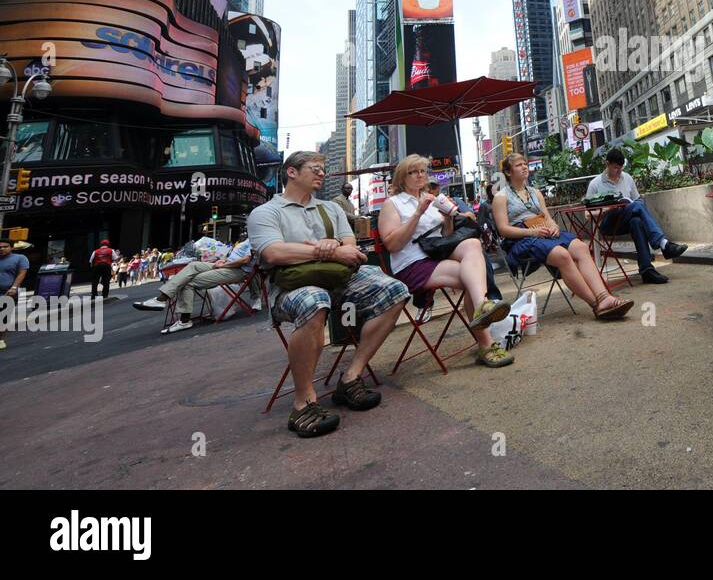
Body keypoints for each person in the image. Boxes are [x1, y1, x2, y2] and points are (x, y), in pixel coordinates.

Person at [248, 150, 410, 438]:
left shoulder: (331, 209)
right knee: (315, 300)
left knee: (394, 289)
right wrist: (327, 249)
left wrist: (328, 249)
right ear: (292, 172)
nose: (322, 173)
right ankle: (303, 403)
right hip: (290, 288)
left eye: (323, 169)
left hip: (339, 280)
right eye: (315, 168)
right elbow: (274, 253)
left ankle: (351, 376)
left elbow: (351, 248)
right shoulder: (265, 213)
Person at [378, 155, 514, 367]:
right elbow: (393, 244)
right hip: (413, 263)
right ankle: (486, 344)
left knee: (473, 245)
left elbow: (444, 238)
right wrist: (417, 213)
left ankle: (482, 307)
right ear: (401, 178)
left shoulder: (431, 200)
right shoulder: (393, 204)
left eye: (422, 171)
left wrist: (448, 217)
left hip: (436, 254)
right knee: (473, 279)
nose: (419, 175)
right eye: (412, 172)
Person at [493, 152, 634, 320]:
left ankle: (604, 297)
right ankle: (596, 305)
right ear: (508, 173)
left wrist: (554, 227)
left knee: (581, 247)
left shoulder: (535, 192)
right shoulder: (500, 197)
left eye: (525, 163)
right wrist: (532, 232)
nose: (524, 166)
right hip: (522, 239)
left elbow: (547, 217)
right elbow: (503, 230)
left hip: (544, 232)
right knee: (563, 255)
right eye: (518, 165)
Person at [585, 148, 685, 285]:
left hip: (626, 220)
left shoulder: (627, 178)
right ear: (607, 164)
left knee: (636, 221)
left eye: (621, 168)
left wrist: (628, 204)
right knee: (636, 207)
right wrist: (608, 208)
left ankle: (647, 271)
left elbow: (637, 201)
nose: (618, 172)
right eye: (615, 168)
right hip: (607, 223)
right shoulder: (595, 184)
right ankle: (663, 244)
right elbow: (588, 215)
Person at [132, 234, 255, 334]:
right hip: (226, 264)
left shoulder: (259, 239)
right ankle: (161, 300)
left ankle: (183, 319)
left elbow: (246, 260)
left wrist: (225, 264)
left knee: (188, 282)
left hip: (237, 271)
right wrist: (223, 260)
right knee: (193, 265)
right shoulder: (250, 238)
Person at [0, 238, 31, 351]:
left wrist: (14, 287)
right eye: (0, 247)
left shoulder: (20, 258)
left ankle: (0, 339)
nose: (2, 249)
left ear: (11, 247)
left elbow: (22, 273)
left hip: (8, 292)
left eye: (5, 246)